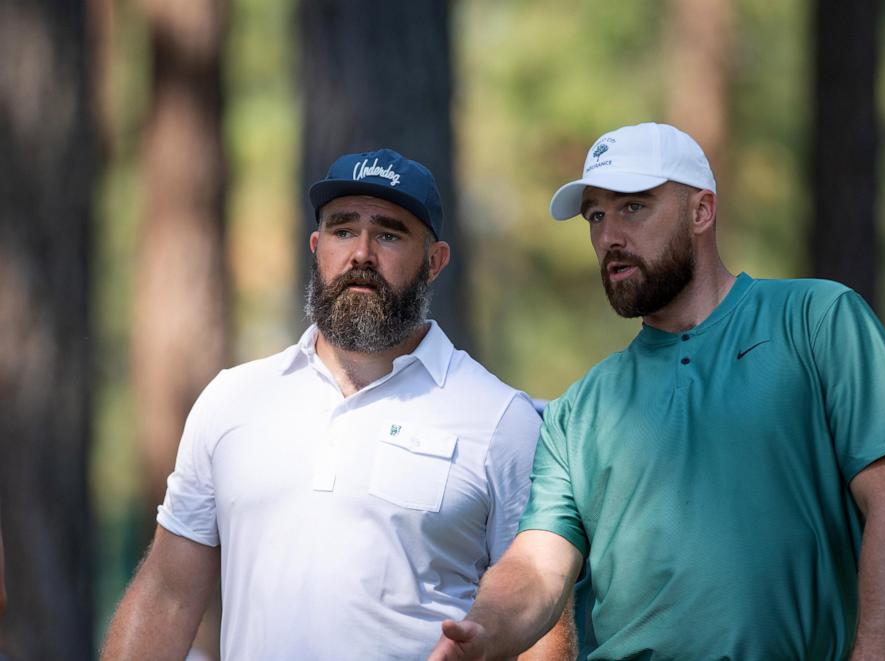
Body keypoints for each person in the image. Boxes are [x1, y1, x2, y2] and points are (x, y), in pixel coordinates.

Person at [431, 123, 885, 661]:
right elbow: (538, 566)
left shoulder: (817, 320)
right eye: (596, 216)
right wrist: (485, 631)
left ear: (701, 211)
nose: (609, 237)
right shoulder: (580, 409)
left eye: (633, 207)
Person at [103, 148, 572, 659]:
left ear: (435, 262)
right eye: (343, 230)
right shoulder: (232, 401)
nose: (362, 254)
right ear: (316, 246)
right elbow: (168, 594)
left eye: (389, 234)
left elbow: (541, 621)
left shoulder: (500, 419)